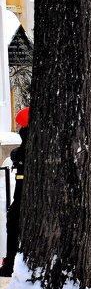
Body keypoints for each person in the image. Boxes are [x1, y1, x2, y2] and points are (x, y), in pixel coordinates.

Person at [0, 107, 29, 278]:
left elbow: (21, 153)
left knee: (13, 222)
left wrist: (15, 155)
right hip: (23, 188)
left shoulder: (27, 136)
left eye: (19, 122)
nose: (16, 126)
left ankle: (10, 263)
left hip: (23, 190)